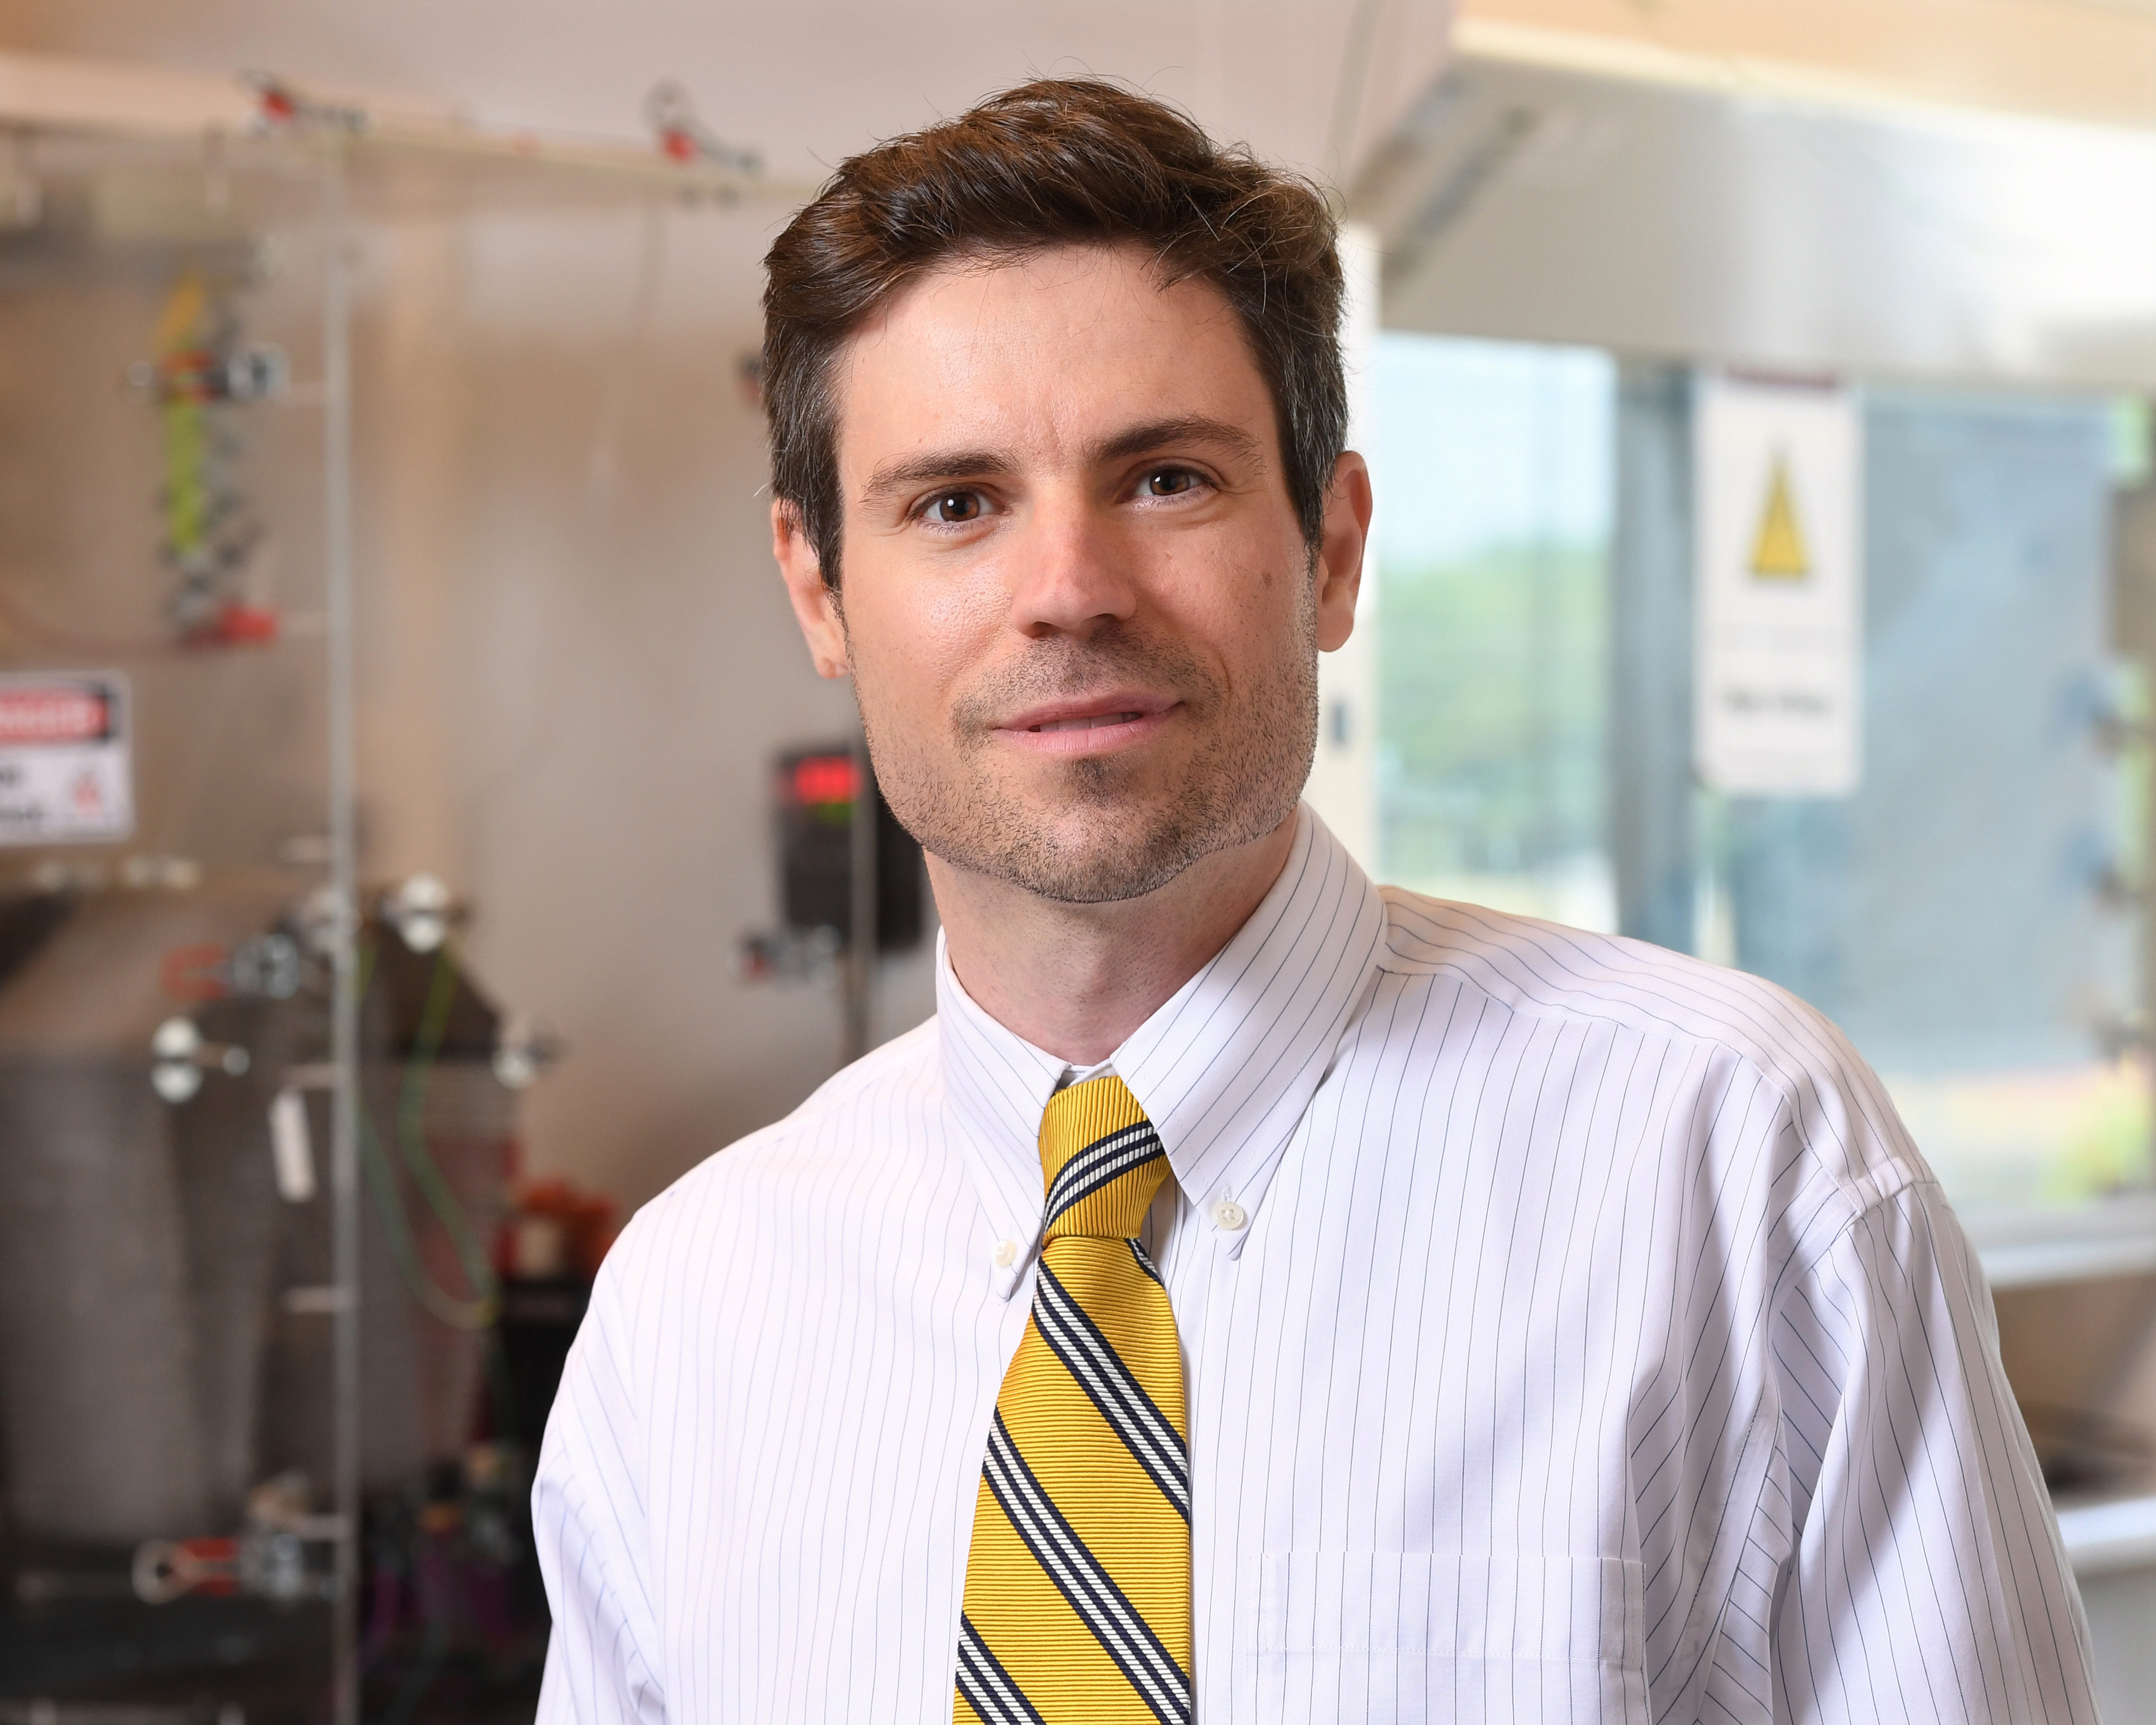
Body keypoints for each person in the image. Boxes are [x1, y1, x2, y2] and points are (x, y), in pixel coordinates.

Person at [533, 78, 2096, 1725]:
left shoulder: (1727, 1155)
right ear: (817, 587)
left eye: (1164, 481)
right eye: (955, 504)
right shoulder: (690, 1314)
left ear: (1333, 548)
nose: (1066, 590)